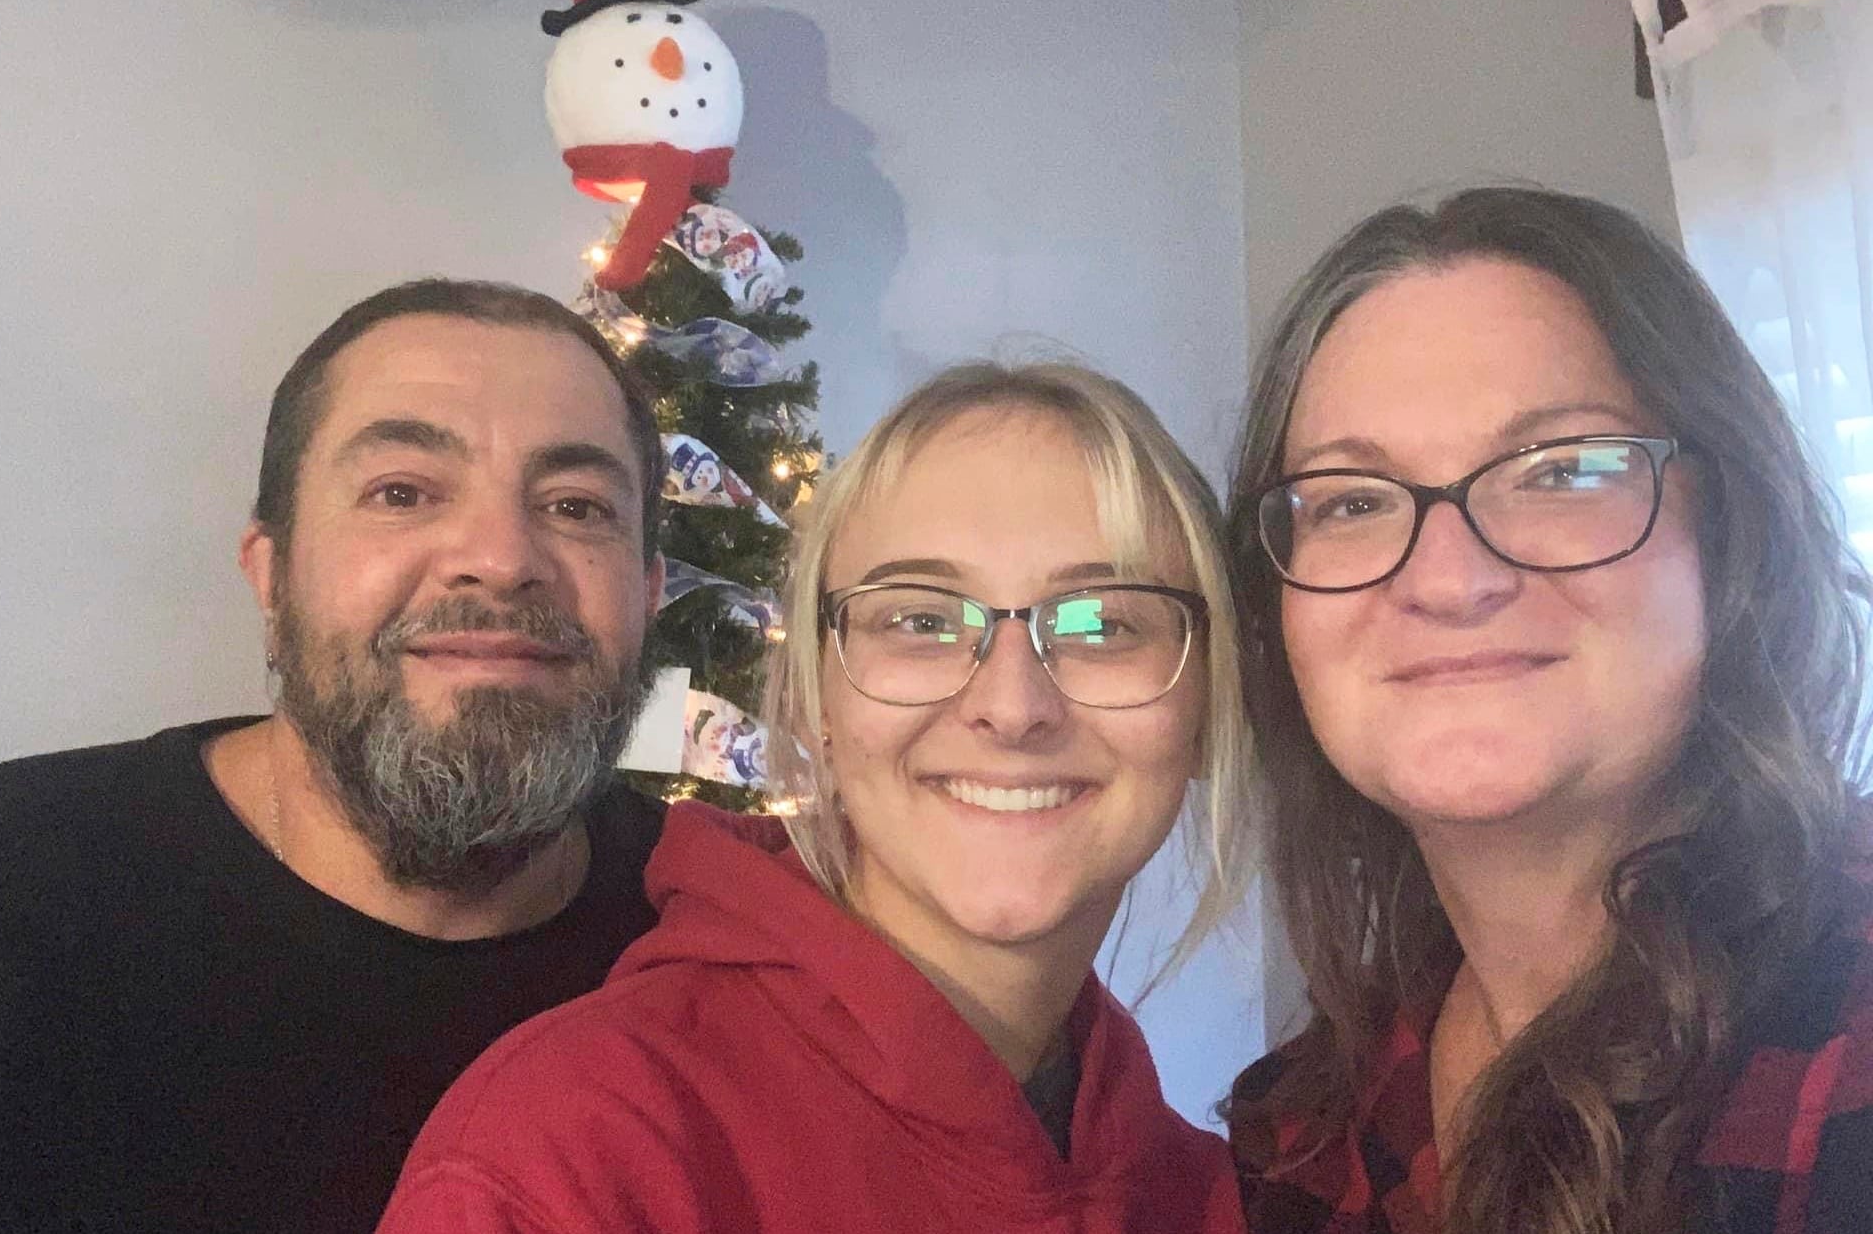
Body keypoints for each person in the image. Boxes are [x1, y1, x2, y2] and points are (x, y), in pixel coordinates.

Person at [0, 279, 672, 1234]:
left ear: (647, 594)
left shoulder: (719, 937)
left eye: (577, 505)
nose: (500, 556)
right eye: (401, 492)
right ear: (271, 574)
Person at [377, 362, 1252, 1232]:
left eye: (1103, 621)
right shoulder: (580, 1156)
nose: (1014, 706)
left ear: (1207, 700)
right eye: (921, 620)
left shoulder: (1218, 1191)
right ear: (818, 703)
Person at [1222, 187, 1873, 1233]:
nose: (1447, 578)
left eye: (1560, 470)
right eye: (1350, 500)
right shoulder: (1303, 1134)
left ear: (1728, 535)